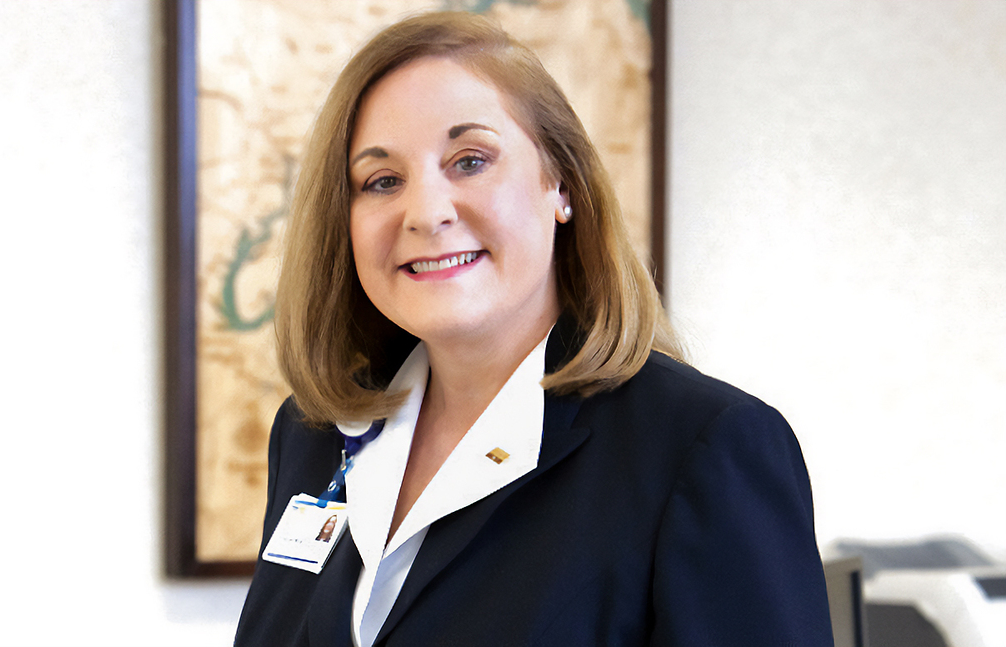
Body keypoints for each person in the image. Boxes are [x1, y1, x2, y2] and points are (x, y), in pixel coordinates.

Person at [235, 11, 833, 647]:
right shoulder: (313, 436)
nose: (427, 212)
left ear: (562, 185)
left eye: (470, 161)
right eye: (382, 181)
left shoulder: (703, 449)